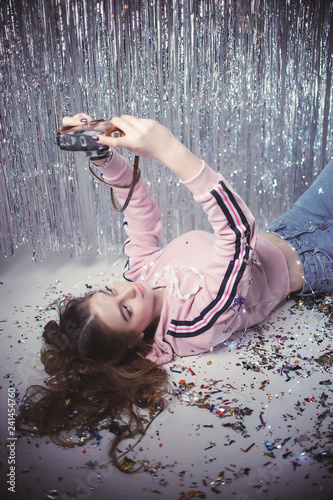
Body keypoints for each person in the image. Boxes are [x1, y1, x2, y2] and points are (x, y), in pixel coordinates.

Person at [16, 113, 333, 472]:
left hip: (292, 222)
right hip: (317, 258)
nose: (129, 292)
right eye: (125, 311)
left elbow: (138, 207)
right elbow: (239, 235)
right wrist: (169, 149)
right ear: (136, 339)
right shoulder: (195, 322)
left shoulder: (141, 274)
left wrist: (103, 155)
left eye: (109, 290)